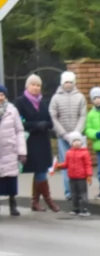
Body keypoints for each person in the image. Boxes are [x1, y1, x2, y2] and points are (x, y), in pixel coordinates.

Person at [14, 74, 58, 213]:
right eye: (33, 84)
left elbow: (50, 120)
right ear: (27, 86)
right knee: (40, 171)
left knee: (41, 170)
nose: (36, 87)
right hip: (30, 141)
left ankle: (36, 202)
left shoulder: (43, 102)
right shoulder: (20, 102)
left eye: (38, 85)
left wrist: (47, 124)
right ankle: (48, 201)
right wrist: (36, 125)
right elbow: (19, 122)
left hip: (43, 141)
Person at [49, 71, 88, 201]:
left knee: (81, 165)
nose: (68, 84)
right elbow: (53, 116)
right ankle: (69, 192)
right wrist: (64, 134)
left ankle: (81, 193)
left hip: (77, 138)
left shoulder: (80, 97)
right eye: (66, 82)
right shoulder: (55, 98)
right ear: (62, 83)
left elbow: (83, 115)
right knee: (67, 165)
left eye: (71, 82)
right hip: (63, 138)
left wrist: (76, 134)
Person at [0, 84, 25, 217]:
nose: (0, 97)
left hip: (10, 149)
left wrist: (22, 151)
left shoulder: (12, 110)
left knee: (10, 179)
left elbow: (19, 130)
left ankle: (12, 202)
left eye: (2, 94)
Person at [60, 132, 93, 216]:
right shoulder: (68, 153)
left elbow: (88, 164)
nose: (77, 142)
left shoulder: (85, 153)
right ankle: (76, 209)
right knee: (74, 193)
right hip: (72, 177)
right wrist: (58, 166)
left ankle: (85, 209)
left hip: (81, 177)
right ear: (71, 143)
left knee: (83, 193)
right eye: (74, 141)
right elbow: (66, 164)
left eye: (78, 140)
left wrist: (89, 175)